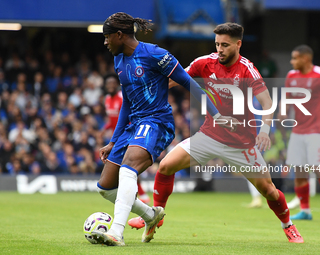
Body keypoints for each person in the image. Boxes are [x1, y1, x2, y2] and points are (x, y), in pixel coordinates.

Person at [129, 22, 304, 243]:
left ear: (238, 44)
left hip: (241, 144)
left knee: (269, 190)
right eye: (217, 44)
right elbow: (176, 79)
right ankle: (156, 216)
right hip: (209, 135)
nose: (220, 49)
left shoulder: (247, 69)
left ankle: (288, 226)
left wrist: (265, 131)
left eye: (225, 45)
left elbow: (267, 102)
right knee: (165, 166)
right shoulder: (205, 63)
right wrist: (146, 88)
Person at [91, 12, 231, 246]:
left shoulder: (155, 54)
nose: (105, 42)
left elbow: (189, 82)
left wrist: (216, 114)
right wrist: (114, 141)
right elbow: (127, 101)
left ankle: (116, 232)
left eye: (107, 37)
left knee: (128, 169)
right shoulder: (119, 59)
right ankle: (150, 215)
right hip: (132, 124)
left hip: (156, 121)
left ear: (119, 35)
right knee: (105, 188)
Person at [279, 45, 320, 221]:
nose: (292, 62)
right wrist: (283, 110)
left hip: (318, 130)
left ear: (305, 59)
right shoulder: (291, 76)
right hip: (298, 130)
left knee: (319, 168)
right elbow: (287, 97)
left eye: (295, 58)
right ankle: (305, 210)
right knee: (299, 170)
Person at [103, 73, 151, 204]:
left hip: (126, 134)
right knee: (123, 167)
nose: (111, 86)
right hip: (116, 137)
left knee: (127, 166)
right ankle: (135, 194)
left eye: (113, 83)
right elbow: (112, 119)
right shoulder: (107, 99)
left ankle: (139, 194)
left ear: (117, 85)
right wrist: (104, 129)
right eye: (108, 84)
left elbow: (127, 116)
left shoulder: (121, 99)